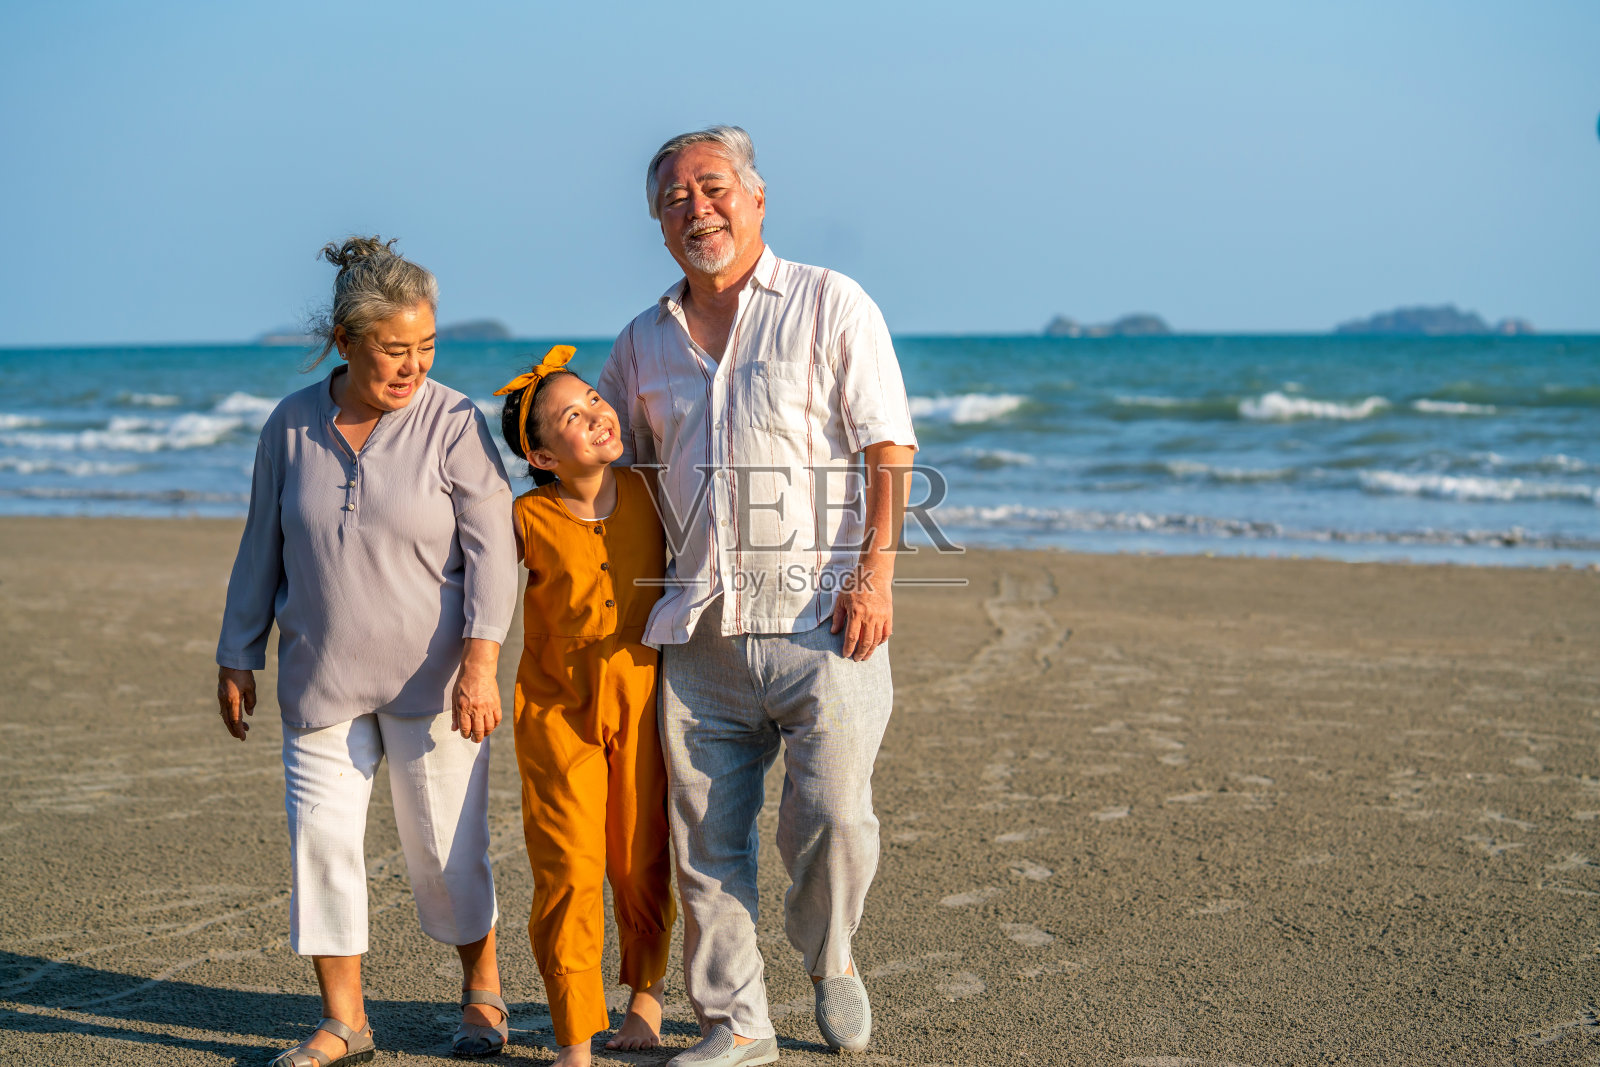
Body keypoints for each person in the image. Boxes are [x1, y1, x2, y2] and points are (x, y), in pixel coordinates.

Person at [597, 126, 919, 1067]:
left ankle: (831, 953)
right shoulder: (640, 342)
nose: (696, 208)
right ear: (658, 227)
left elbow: (887, 446)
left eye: (712, 187)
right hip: (696, 634)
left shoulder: (829, 301)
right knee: (706, 846)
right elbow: (611, 469)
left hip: (825, 622)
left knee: (833, 819)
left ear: (756, 197)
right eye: (674, 199)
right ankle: (738, 1025)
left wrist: (877, 573)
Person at [215, 237, 519, 1066]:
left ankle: (483, 991)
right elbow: (261, 546)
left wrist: (483, 661)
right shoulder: (289, 425)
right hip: (322, 677)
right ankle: (345, 1020)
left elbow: (496, 550)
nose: (412, 366)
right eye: (394, 349)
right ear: (346, 341)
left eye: (426, 347)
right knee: (321, 842)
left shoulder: (454, 421)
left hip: (440, 683)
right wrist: (236, 650)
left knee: (446, 851)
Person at [492, 346, 676, 1067]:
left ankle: (647, 997)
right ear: (540, 452)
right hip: (556, 713)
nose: (598, 413)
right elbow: (468, 589)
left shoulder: (652, 489)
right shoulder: (525, 516)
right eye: (573, 415)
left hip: (643, 700)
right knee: (567, 865)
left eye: (595, 399)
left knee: (639, 856)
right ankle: (574, 1038)